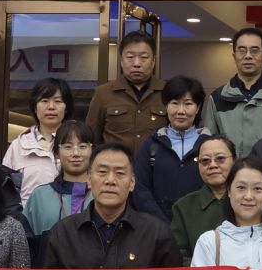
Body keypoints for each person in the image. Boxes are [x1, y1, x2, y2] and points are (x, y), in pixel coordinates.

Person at [41, 142, 183, 269]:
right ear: (89, 180)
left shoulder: (156, 234)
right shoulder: (63, 233)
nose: (110, 180)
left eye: (119, 173)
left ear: (132, 183)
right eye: (102, 172)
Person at [132, 75, 210, 221]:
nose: (181, 111)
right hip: (157, 227)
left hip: (202, 226)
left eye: (188, 104)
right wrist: (161, 225)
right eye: (175, 103)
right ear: (166, 106)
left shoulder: (210, 145)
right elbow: (140, 189)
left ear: (198, 107)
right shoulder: (151, 145)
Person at [23, 119, 94, 265]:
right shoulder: (39, 196)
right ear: (56, 152)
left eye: (82, 146)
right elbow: (25, 248)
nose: (76, 153)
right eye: (68, 147)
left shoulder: (102, 195)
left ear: (93, 151)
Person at [86, 31, 166, 152]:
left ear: (153, 61)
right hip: (114, 163)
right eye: (130, 57)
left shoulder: (167, 92)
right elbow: (90, 138)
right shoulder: (103, 93)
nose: (136, 64)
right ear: (121, 61)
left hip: (156, 163)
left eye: (144, 57)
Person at [212, 26, 262, 159]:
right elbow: (211, 142)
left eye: (254, 51)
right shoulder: (218, 97)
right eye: (242, 51)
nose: (248, 56)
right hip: (231, 170)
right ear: (234, 56)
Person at [3, 76, 72, 205]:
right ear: (35, 107)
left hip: (69, 215)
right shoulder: (18, 146)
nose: (51, 107)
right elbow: (6, 190)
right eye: (44, 101)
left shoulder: (77, 144)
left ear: (66, 107)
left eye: (58, 101)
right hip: (26, 216)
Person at [168, 135, 237, 257]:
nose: (213, 165)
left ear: (235, 161)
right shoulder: (183, 207)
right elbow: (179, 255)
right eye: (205, 160)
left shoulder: (248, 201)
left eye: (220, 158)